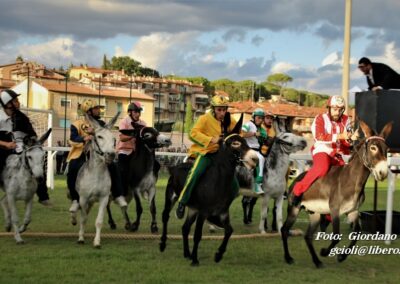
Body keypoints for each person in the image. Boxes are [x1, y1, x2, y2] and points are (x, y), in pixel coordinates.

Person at [175, 95, 238, 219]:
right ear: (213, 109)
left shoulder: (230, 120)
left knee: (235, 185)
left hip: (221, 156)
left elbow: (237, 132)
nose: (222, 112)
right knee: (195, 173)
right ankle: (182, 201)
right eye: (219, 109)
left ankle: (221, 205)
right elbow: (192, 134)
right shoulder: (204, 119)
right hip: (206, 152)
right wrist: (211, 140)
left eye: (224, 109)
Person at [291, 95, 356, 206]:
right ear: (329, 108)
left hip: (338, 153)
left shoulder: (346, 120)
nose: (338, 112)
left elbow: (346, 141)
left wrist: (350, 141)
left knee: (345, 175)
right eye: (335, 109)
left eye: (341, 110)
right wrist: (341, 135)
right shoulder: (320, 118)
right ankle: (297, 190)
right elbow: (319, 136)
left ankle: (332, 208)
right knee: (322, 168)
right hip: (322, 150)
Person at [66, 99, 127, 213]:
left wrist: (95, 133)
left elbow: (106, 135)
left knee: (114, 167)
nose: (99, 110)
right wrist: (84, 138)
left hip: (99, 154)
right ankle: (75, 199)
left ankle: (118, 195)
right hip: (81, 153)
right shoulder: (76, 124)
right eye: (96, 108)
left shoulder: (102, 124)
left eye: (98, 108)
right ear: (88, 111)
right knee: (73, 168)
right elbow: (72, 140)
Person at [0, 89, 51, 206]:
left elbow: (32, 133)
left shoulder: (21, 117)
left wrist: (32, 141)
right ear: (8, 104)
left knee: (37, 163)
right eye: (15, 100)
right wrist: (6, 144)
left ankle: (43, 196)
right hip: (2, 148)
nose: (18, 102)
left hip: (19, 149)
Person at [117, 101, 147, 195]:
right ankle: (122, 191)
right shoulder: (124, 122)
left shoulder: (143, 123)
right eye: (135, 111)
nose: (137, 114)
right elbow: (122, 138)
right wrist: (133, 135)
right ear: (130, 112)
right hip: (124, 151)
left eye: (139, 111)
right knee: (123, 170)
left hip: (136, 152)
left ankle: (144, 187)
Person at [241, 108, 267, 194]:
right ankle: (258, 184)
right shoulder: (248, 124)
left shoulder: (262, 129)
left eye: (262, 118)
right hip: (248, 149)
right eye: (258, 117)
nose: (260, 120)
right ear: (254, 117)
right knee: (261, 158)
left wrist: (263, 137)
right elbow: (242, 134)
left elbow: (264, 139)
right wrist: (254, 134)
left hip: (258, 150)